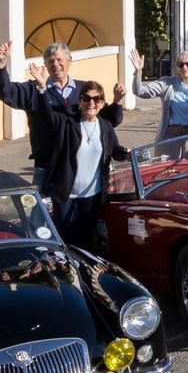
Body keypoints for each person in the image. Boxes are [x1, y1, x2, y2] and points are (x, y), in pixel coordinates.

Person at [0, 41, 125, 186]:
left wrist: (117, 101)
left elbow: (108, 120)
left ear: (69, 61)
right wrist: (1, 65)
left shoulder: (84, 91)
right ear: (46, 64)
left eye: (59, 59)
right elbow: (4, 91)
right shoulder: (33, 89)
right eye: (51, 61)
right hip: (48, 166)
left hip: (82, 166)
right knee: (43, 208)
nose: (55, 64)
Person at [26, 67, 119, 248]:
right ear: (80, 101)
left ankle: (85, 273)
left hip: (92, 194)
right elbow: (47, 116)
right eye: (86, 98)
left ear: (102, 103)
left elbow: (114, 150)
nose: (91, 103)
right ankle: (68, 272)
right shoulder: (68, 123)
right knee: (67, 239)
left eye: (96, 99)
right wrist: (42, 88)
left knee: (87, 239)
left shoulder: (105, 126)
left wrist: (125, 153)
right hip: (66, 193)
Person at [129, 47, 188, 142]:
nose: (184, 67)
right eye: (180, 65)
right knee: (168, 157)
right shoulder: (167, 83)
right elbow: (140, 91)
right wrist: (138, 72)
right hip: (170, 136)